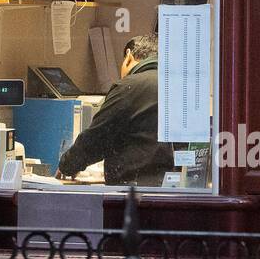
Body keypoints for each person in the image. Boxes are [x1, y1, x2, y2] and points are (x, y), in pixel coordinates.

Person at [55, 34, 172, 186]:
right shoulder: (180, 86)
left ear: (129, 56)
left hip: (134, 190)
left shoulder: (129, 86)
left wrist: (68, 165)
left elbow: (97, 137)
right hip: (177, 188)